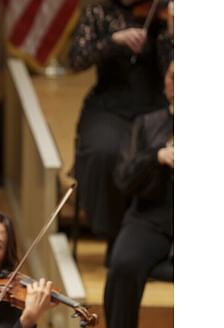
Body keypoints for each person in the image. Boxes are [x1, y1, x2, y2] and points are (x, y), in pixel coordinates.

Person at [67, 0, 173, 256]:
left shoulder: (166, 15)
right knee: (106, 153)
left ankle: (155, 238)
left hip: (158, 107)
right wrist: (114, 41)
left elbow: (173, 70)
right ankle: (115, 235)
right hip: (110, 105)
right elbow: (76, 59)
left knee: (156, 156)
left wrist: (171, 31)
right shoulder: (101, 12)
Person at [102, 59, 173, 328]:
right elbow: (123, 179)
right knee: (124, 265)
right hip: (151, 219)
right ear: (166, 84)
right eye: (175, 77)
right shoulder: (147, 124)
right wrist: (156, 157)